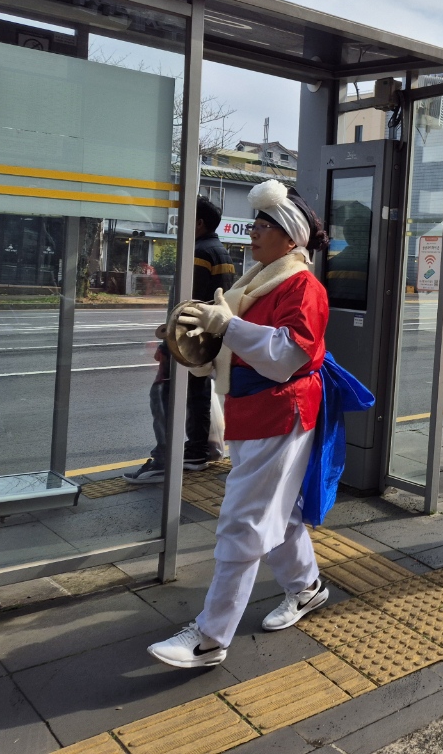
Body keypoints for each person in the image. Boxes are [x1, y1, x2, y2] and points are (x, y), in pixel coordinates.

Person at [147, 181, 353, 669]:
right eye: (256, 225)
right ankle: (306, 588)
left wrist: (225, 326)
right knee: (274, 514)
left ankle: (212, 637)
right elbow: (238, 343)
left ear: (290, 237)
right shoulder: (259, 280)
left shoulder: (304, 287)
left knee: (243, 520)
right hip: (256, 412)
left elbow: (284, 357)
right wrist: (193, 331)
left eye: (264, 225)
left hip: (280, 410)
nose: (253, 233)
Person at [126, 197, 235, 483]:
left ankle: (165, 458)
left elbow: (186, 308)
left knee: (163, 397)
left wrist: (168, 343)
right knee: (197, 396)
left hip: (185, 342)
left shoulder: (198, 252)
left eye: (184, 218)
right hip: (204, 342)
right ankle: (198, 450)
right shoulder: (220, 251)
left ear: (198, 223)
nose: (178, 224)